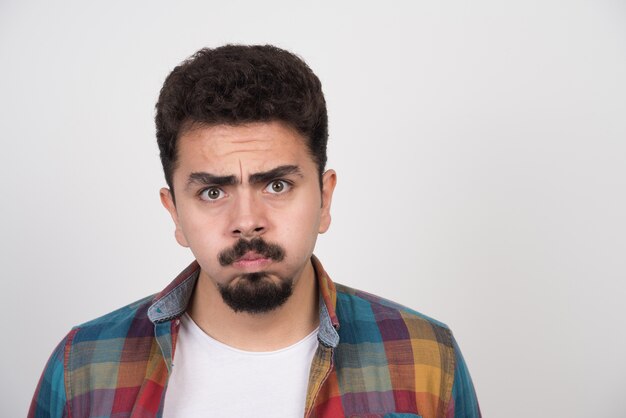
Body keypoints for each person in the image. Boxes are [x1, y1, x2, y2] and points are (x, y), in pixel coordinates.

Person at [29, 44, 481, 418]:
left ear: (325, 200)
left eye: (277, 184)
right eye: (212, 192)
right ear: (175, 214)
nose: (247, 220)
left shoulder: (424, 356)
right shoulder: (83, 366)